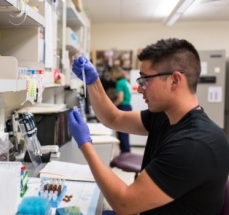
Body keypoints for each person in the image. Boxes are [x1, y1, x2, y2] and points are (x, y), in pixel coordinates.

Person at [69, 38, 229, 214]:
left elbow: (124, 204)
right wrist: (93, 81)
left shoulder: (194, 144)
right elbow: (114, 118)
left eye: (145, 80)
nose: (139, 89)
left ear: (175, 80)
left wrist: (85, 144)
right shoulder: (165, 117)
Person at [109, 66, 132, 153]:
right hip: (128, 106)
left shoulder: (119, 83)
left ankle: (125, 153)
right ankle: (126, 152)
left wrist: (112, 106)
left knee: (122, 133)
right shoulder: (124, 81)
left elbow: (120, 99)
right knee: (125, 132)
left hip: (123, 107)